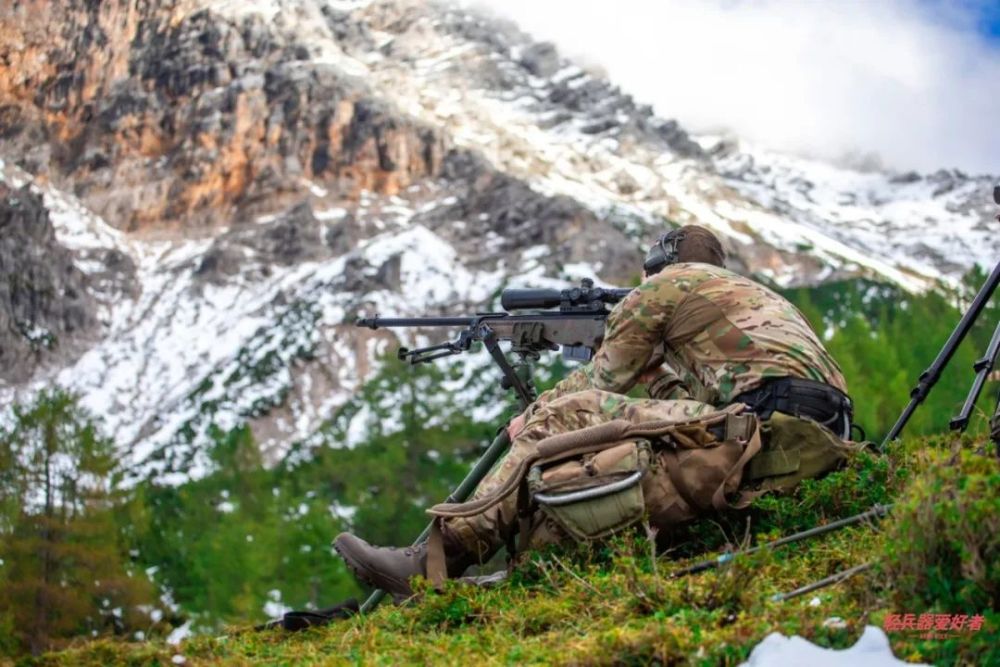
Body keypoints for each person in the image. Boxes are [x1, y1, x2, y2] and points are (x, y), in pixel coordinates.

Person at [334, 226, 858, 600]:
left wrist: (537, 411)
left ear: (657, 268)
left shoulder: (661, 289)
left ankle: (434, 560)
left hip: (759, 424)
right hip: (813, 437)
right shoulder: (745, 295)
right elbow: (675, 394)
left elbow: (604, 381)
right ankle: (536, 556)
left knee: (565, 414)